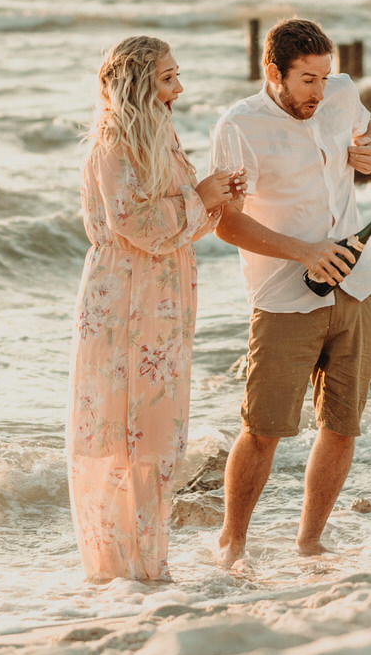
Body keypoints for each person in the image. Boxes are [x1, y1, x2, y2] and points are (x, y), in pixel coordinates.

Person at [210, 18, 371, 563]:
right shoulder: (239, 126)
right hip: (284, 298)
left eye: (324, 76)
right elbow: (225, 223)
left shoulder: (341, 94)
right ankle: (232, 544)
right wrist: (306, 251)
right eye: (307, 79)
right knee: (263, 429)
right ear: (274, 72)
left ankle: (310, 542)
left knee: (342, 426)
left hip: (357, 286)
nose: (320, 90)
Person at [68, 35, 242, 582]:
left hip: (165, 294)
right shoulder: (113, 143)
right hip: (124, 299)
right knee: (120, 430)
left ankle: (148, 561)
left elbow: (180, 218)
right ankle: (119, 568)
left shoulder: (160, 134)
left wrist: (219, 197)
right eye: (168, 78)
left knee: (158, 429)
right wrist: (202, 197)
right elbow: (136, 225)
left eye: (176, 75)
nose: (179, 88)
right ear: (138, 84)